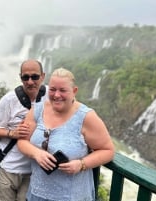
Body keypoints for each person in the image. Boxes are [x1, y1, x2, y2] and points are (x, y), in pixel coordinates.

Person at [17, 67, 115, 201]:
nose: (56, 95)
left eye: (62, 90)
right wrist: (37, 153)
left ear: (74, 91)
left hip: (73, 196)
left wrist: (81, 164)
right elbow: (22, 141)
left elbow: (108, 150)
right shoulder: (38, 110)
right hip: (37, 193)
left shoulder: (86, 117)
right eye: (52, 89)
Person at [0, 59, 47, 201]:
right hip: (9, 168)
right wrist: (12, 133)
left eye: (35, 77)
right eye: (25, 77)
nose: (30, 81)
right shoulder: (9, 100)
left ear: (43, 76)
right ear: (20, 78)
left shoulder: (51, 95)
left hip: (35, 171)